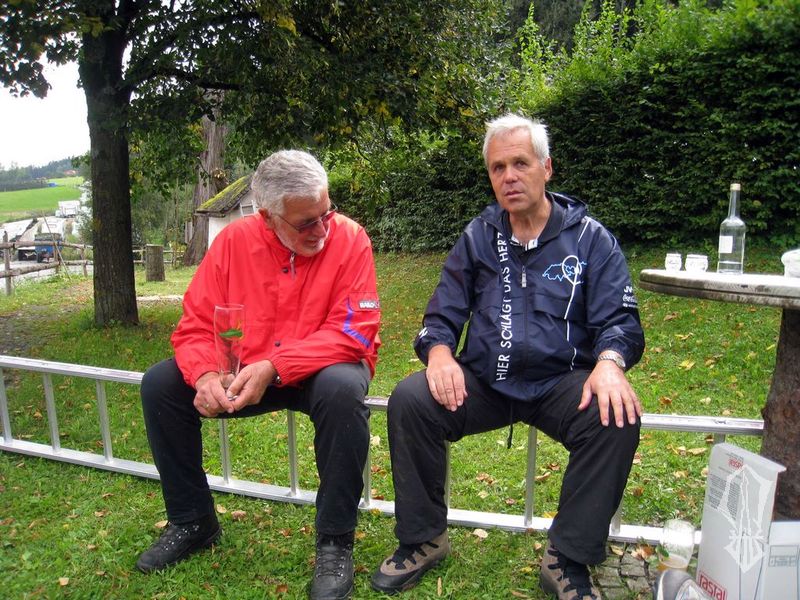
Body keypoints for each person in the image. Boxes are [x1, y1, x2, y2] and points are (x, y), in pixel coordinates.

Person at [370, 114, 645, 600]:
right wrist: (439, 353)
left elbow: (620, 321)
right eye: (498, 168)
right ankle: (424, 538)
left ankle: (567, 557)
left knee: (614, 417)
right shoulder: (479, 235)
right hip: (486, 381)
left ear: (547, 168)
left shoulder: (590, 239)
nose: (509, 177)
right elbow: (442, 314)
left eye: (521, 163)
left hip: (561, 381)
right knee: (411, 400)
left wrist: (609, 362)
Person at [136, 150, 381, 600]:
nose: (322, 230)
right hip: (247, 369)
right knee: (160, 386)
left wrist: (276, 367)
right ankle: (192, 520)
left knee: (343, 391)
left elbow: (355, 331)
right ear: (267, 216)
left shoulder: (351, 238)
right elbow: (196, 323)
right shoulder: (233, 242)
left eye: (326, 213)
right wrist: (205, 375)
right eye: (305, 223)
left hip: (323, 369)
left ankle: (335, 541)